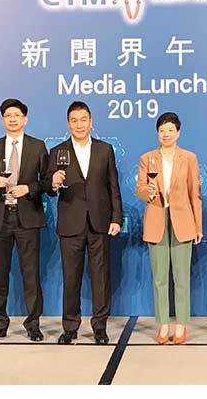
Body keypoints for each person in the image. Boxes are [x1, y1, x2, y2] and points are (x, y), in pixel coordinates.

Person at [46, 101, 123, 345]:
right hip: (71, 222)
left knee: (101, 277)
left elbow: (113, 186)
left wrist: (116, 218)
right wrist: (53, 183)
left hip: (100, 222)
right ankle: (70, 327)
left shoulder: (104, 149)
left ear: (91, 121)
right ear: (68, 123)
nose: (79, 125)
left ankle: (100, 327)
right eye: (74, 120)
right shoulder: (57, 152)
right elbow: (48, 188)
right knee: (71, 278)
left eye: (83, 120)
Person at [0, 98, 49, 343]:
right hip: (0, 217)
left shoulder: (37, 147)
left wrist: (28, 188)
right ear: (2, 120)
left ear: (25, 119)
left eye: (17, 115)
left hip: (27, 216)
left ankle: (33, 325)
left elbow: (47, 182)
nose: (13, 119)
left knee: (31, 275)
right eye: (8, 115)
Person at [135, 112, 202, 345]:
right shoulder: (147, 158)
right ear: (157, 133)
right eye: (162, 130)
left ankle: (181, 324)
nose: (166, 134)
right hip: (157, 219)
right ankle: (163, 323)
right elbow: (140, 189)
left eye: (170, 130)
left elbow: (195, 194)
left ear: (178, 133)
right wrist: (149, 192)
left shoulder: (189, 158)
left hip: (183, 221)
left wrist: (198, 226)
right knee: (160, 277)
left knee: (181, 277)